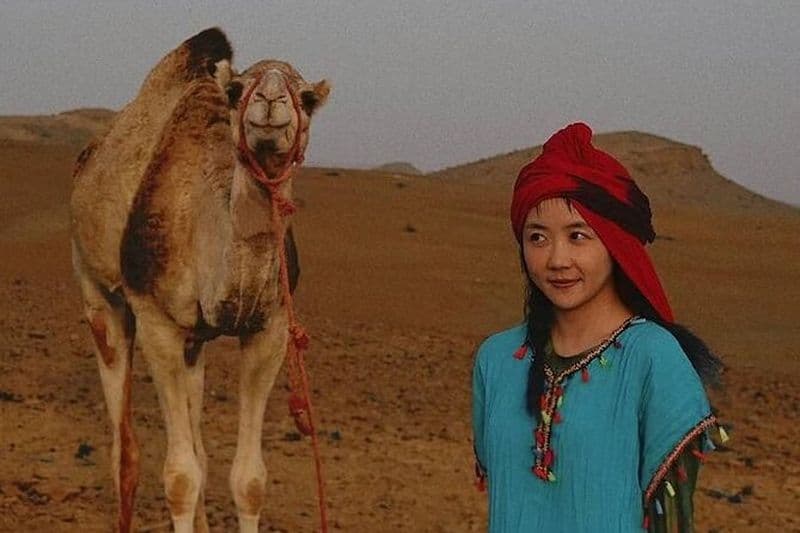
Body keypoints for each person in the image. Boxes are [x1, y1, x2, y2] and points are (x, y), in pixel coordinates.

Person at [471, 123, 726, 532]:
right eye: (537, 237)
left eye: (578, 236)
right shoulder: (496, 358)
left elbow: (673, 522)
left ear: (615, 242)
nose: (556, 259)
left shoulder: (654, 358)